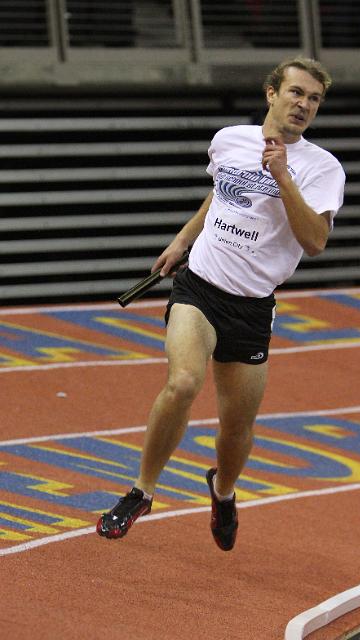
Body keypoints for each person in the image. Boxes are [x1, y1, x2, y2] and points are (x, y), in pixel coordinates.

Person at [96, 56, 346, 551]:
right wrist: (183, 239)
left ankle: (223, 490)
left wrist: (284, 179)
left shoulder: (323, 168)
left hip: (252, 307)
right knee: (183, 381)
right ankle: (142, 490)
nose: (304, 105)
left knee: (236, 429)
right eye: (296, 92)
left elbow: (315, 241)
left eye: (314, 99)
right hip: (200, 285)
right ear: (271, 93)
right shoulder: (229, 138)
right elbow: (220, 194)